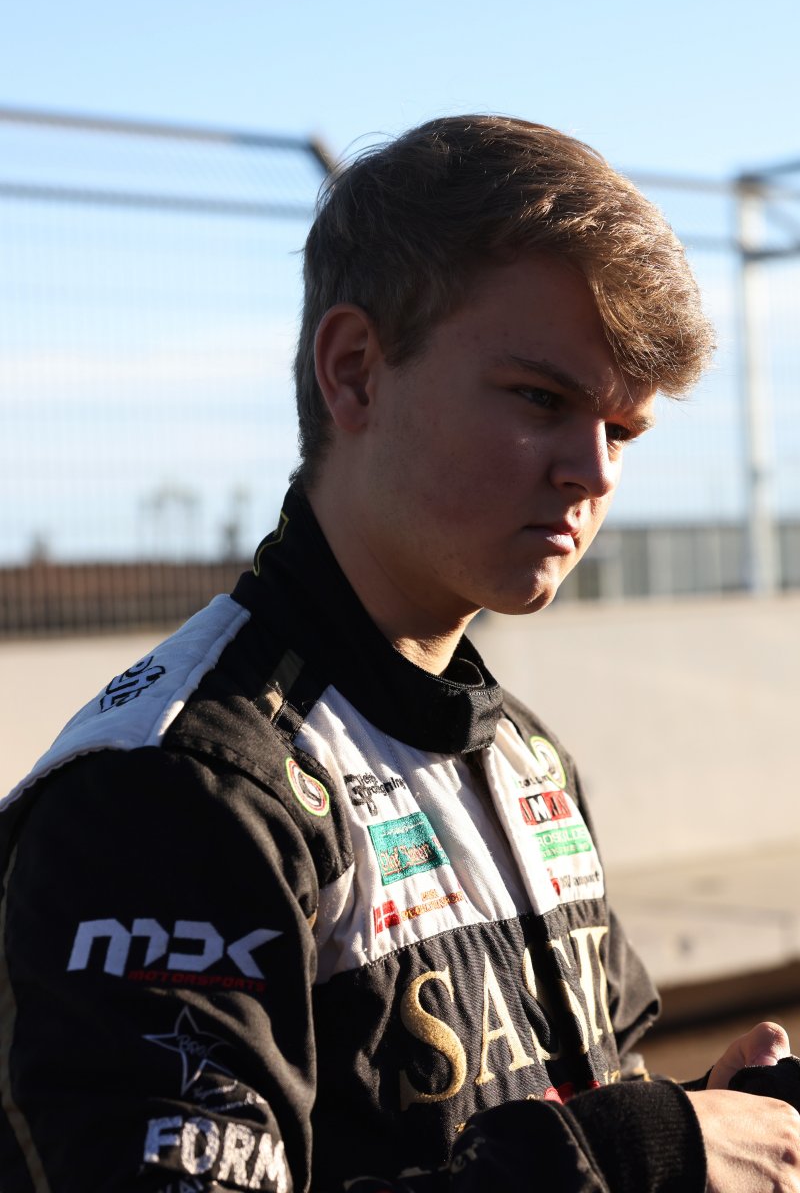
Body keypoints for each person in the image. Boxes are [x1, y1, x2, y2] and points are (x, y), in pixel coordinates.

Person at [1, 114, 798, 1193]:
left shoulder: (525, 759)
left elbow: (556, 1133)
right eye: (542, 399)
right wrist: (643, 1154)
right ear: (356, 374)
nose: (594, 470)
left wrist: (703, 1123)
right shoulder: (169, 797)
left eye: (623, 431)